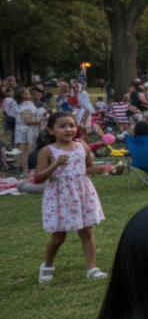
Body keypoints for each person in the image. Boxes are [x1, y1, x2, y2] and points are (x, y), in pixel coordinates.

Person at [36, 111, 114, 283]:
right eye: (62, 126)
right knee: (59, 236)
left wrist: (103, 168)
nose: (68, 129)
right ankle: (48, 265)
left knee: (86, 232)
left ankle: (92, 269)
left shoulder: (82, 147)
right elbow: (38, 177)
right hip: (59, 195)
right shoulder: (47, 151)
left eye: (71, 125)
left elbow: (87, 168)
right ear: (51, 130)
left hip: (82, 193)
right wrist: (55, 164)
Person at [12, 86, 39, 172]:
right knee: (25, 150)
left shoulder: (29, 104)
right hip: (24, 131)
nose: (29, 94)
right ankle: (25, 169)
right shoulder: (24, 106)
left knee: (30, 149)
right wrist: (41, 121)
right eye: (27, 92)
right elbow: (27, 121)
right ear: (23, 95)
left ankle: (27, 168)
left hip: (30, 130)